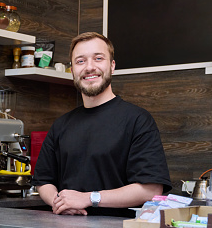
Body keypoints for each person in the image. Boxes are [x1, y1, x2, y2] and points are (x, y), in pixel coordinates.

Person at [32, 32, 171, 217]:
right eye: (80, 61)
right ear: (72, 70)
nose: (90, 67)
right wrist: (62, 203)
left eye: (98, 58)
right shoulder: (61, 125)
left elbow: (151, 189)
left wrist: (89, 198)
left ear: (112, 66)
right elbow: (44, 181)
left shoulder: (138, 120)